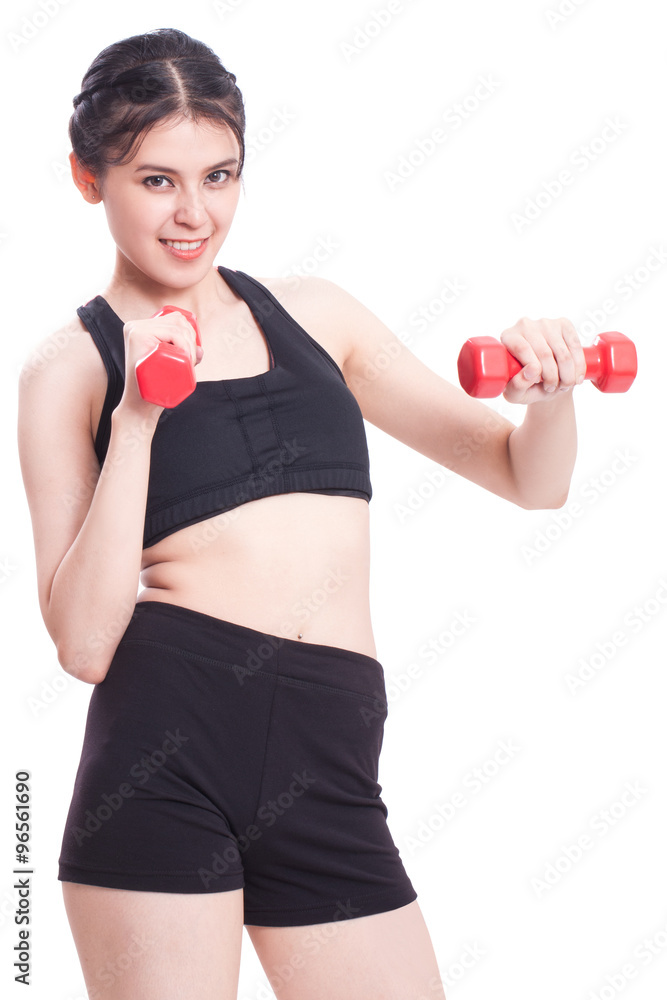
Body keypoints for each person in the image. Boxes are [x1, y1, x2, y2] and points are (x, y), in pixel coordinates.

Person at [17, 26, 585, 1000]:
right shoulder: (68, 368)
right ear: (86, 177)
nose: (194, 213)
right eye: (156, 180)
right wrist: (142, 417)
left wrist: (551, 394)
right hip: (164, 753)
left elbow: (526, 477)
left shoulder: (320, 315)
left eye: (220, 174)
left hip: (329, 762)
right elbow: (82, 643)